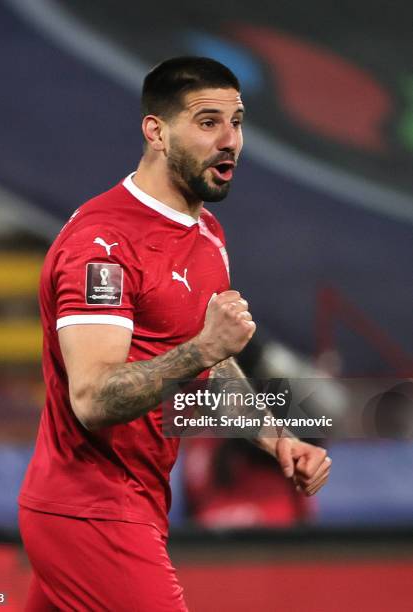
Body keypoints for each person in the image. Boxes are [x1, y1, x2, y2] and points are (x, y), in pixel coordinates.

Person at [18, 56, 331, 611]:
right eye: (208, 122)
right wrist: (202, 348)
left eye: (237, 121)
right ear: (155, 131)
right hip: (90, 511)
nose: (230, 139)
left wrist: (275, 437)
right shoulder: (104, 246)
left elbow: (207, 370)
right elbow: (91, 398)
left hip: (136, 504)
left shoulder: (206, 231)